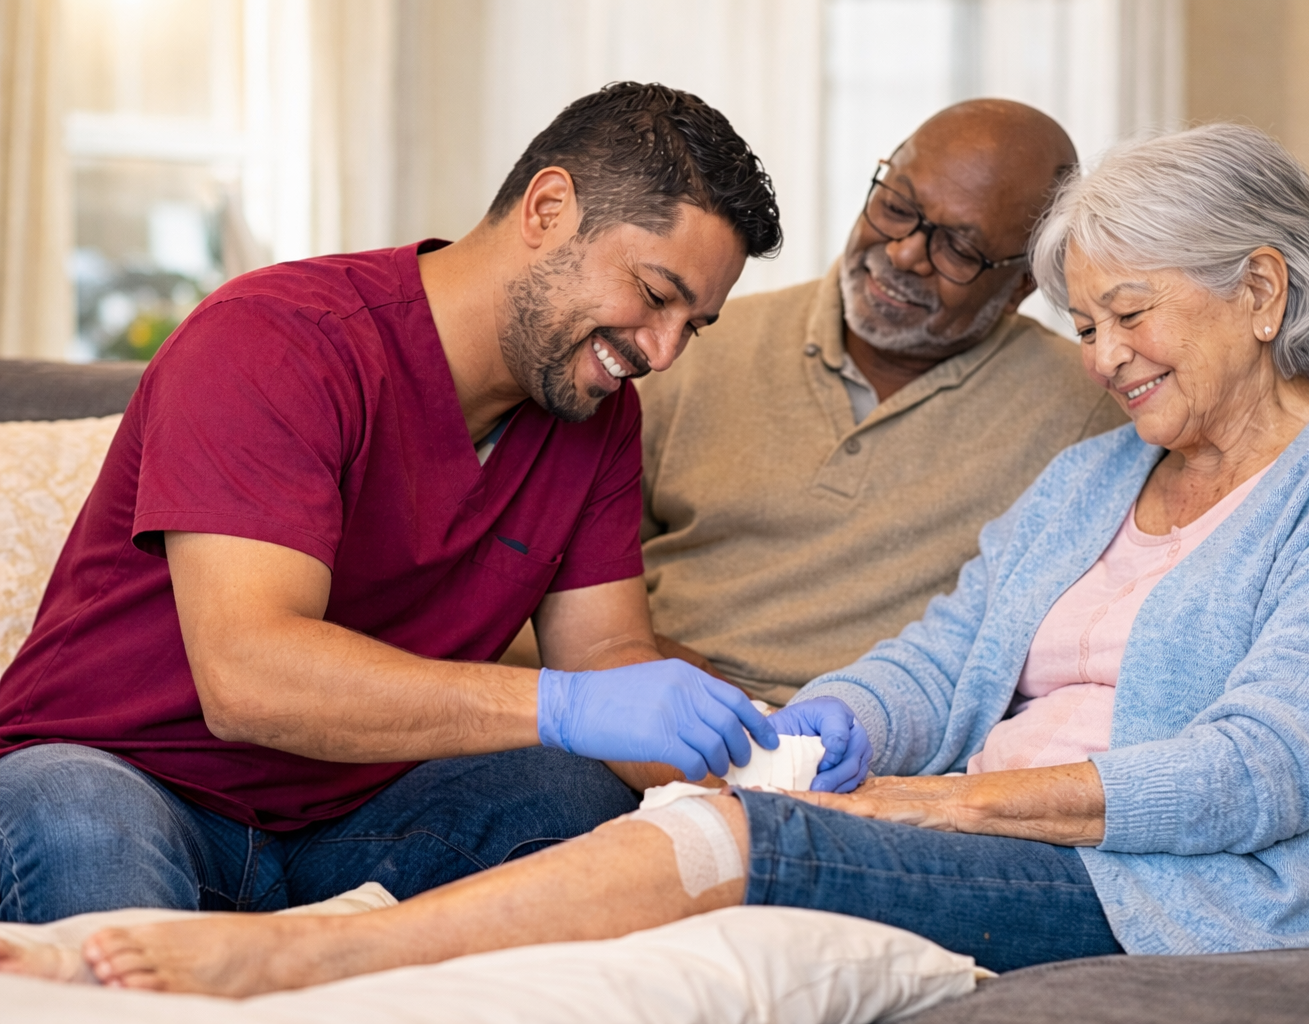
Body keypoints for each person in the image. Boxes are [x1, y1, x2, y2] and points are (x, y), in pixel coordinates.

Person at [2, 123, 1309, 993]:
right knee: (85, 831)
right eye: (1085, 325)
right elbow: (944, 659)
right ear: (551, 208)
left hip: (1199, 884)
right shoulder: (1100, 478)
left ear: (1261, 289)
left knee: (688, 825)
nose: (1099, 362)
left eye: (1126, 318)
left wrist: (914, 801)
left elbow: (1265, 771)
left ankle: (295, 967)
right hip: (131, 764)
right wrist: (838, 722)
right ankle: (187, 968)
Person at [0, 82, 870, 925]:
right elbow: (248, 678)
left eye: (695, 324)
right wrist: (557, 707)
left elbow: (608, 658)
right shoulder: (277, 341)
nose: (663, 350)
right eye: (653, 295)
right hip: (123, 781)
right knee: (77, 811)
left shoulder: (595, 417)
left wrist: (763, 748)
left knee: (570, 790)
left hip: (347, 818)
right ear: (547, 209)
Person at [630, 99, 1125, 706]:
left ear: (1024, 282)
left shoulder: (1089, 409)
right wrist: (649, 665)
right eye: (895, 207)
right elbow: (567, 578)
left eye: (959, 252)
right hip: (653, 700)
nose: (903, 254)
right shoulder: (690, 345)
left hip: (875, 748)